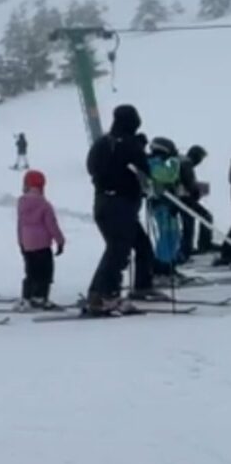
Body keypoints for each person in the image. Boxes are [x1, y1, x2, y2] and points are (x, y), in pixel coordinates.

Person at [85, 105, 152, 315]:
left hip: (103, 202)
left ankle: (141, 286)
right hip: (120, 203)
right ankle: (102, 294)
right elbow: (146, 170)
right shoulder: (129, 144)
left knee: (139, 245)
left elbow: (91, 167)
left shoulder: (101, 144)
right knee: (118, 250)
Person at [17, 170, 65, 310]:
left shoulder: (21, 203)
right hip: (42, 245)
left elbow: (20, 225)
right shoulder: (44, 204)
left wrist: (21, 242)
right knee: (45, 272)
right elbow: (52, 225)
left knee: (30, 271)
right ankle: (40, 297)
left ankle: (27, 297)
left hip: (27, 244)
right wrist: (60, 241)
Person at [143, 137, 184, 293]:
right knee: (166, 236)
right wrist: (175, 162)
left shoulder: (159, 163)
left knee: (174, 235)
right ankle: (161, 269)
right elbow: (169, 176)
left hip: (169, 205)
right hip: (161, 206)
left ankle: (169, 266)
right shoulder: (153, 163)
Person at [178, 145, 213, 259]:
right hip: (185, 198)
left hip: (181, 197)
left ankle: (187, 249)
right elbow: (189, 184)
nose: (201, 162)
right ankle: (204, 245)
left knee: (189, 222)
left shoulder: (182, 161)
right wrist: (198, 192)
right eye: (201, 158)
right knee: (206, 216)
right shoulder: (187, 163)